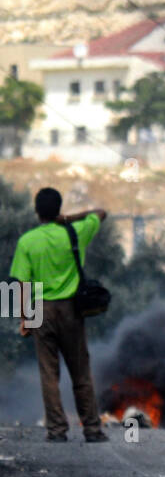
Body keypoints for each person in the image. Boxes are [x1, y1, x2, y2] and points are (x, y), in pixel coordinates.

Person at [10, 186, 109, 443]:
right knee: (81, 373)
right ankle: (92, 429)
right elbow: (101, 213)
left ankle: (56, 430)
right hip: (71, 309)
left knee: (48, 373)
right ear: (58, 209)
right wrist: (67, 219)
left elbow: (20, 284)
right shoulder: (75, 232)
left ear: (36, 212)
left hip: (39, 307)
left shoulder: (27, 242)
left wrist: (24, 318)